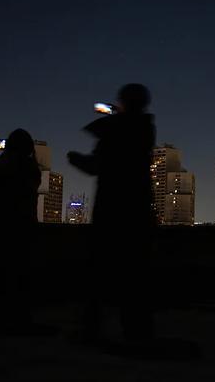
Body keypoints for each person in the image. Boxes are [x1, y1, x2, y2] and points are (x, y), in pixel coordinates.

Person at [68, 83, 156, 343]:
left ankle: (92, 328)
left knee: (98, 271)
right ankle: (137, 331)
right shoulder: (145, 129)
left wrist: (75, 158)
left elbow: (97, 165)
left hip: (111, 209)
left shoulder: (115, 129)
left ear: (124, 102)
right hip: (138, 209)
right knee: (135, 274)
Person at [0, 128, 44, 335]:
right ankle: (19, 319)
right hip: (21, 231)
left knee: (4, 275)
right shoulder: (28, 169)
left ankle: (4, 320)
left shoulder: (0, 167)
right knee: (20, 277)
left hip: (0, 231)